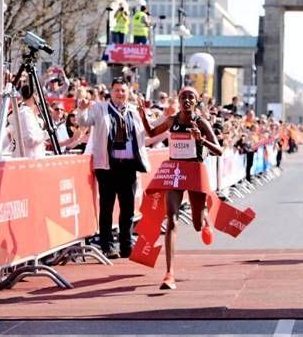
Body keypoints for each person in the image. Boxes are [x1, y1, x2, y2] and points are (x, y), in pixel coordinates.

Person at [138, 86, 222, 290]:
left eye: (190, 98)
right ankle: (169, 273)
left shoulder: (201, 122)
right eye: (183, 97)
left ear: (196, 101)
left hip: (194, 170)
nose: (186, 101)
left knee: (195, 224)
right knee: (172, 218)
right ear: (178, 99)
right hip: (175, 170)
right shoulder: (172, 120)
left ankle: (205, 219)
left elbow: (219, 149)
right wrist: (142, 116)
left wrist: (201, 140)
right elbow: (150, 132)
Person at [77, 77, 150, 259]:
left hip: (128, 166)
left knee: (127, 208)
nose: (120, 94)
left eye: (123, 90)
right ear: (111, 91)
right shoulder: (100, 108)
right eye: (116, 90)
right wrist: (82, 109)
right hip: (107, 166)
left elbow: (149, 130)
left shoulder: (133, 111)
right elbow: (84, 122)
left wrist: (165, 117)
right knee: (107, 207)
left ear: (128, 92)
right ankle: (107, 246)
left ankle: (126, 245)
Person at [10, 84, 47, 158]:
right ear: (34, 95)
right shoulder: (25, 113)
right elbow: (30, 140)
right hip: (29, 161)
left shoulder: (27, 113)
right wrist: (46, 134)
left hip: (30, 160)